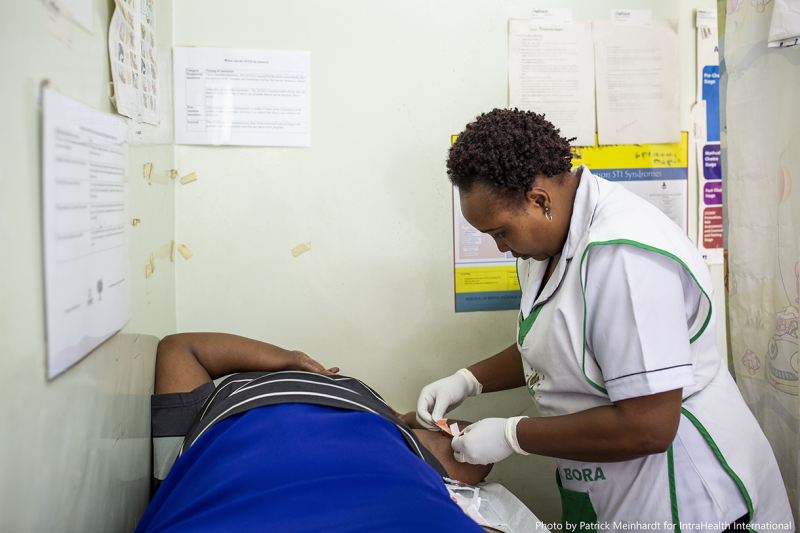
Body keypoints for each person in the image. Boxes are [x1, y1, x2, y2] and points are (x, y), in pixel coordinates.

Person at [416, 109, 793, 531]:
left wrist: (512, 436)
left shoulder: (624, 258)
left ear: (539, 200)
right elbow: (557, 342)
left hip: (688, 493)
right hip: (613, 483)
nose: (500, 248)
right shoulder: (548, 241)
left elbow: (649, 427)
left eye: (501, 232)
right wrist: (469, 379)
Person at [136, 332, 493, 533]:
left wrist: (409, 420)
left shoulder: (195, 435)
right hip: (393, 504)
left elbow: (180, 350)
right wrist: (288, 359)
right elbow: (472, 459)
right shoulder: (381, 424)